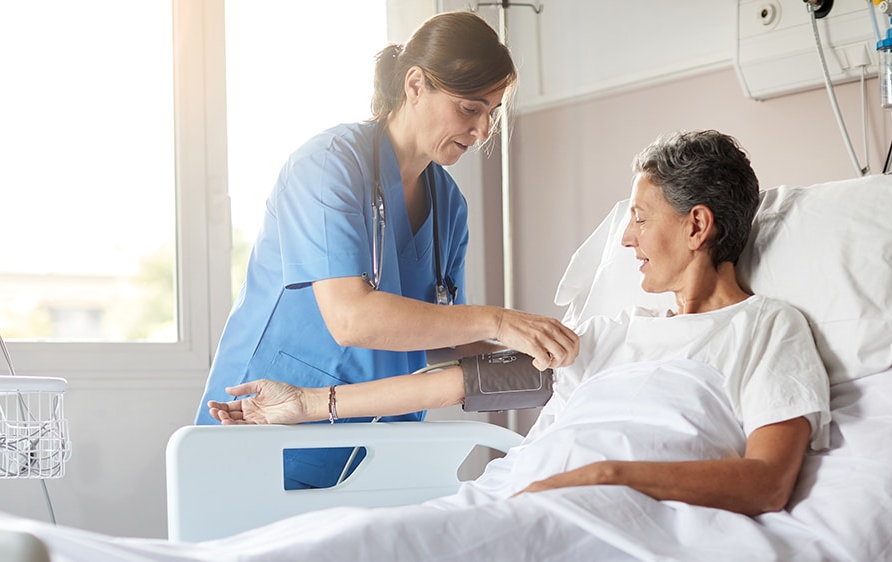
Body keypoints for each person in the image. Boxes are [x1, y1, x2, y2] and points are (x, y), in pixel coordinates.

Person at [211, 129, 832, 516]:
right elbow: (463, 382)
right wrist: (302, 405)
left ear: (697, 226)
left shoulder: (768, 329)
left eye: (641, 218)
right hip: (517, 498)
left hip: (604, 511)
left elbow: (765, 483)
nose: (625, 237)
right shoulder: (613, 332)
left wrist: (602, 478)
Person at [196, 10, 579, 490]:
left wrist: (541, 354)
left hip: (377, 448)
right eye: (469, 108)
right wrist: (501, 321)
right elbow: (351, 318)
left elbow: (440, 336)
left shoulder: (449, 205)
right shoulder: (327, 166)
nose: (483, 131)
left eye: (492, 112)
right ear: (415, 85)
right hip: (264, 425)